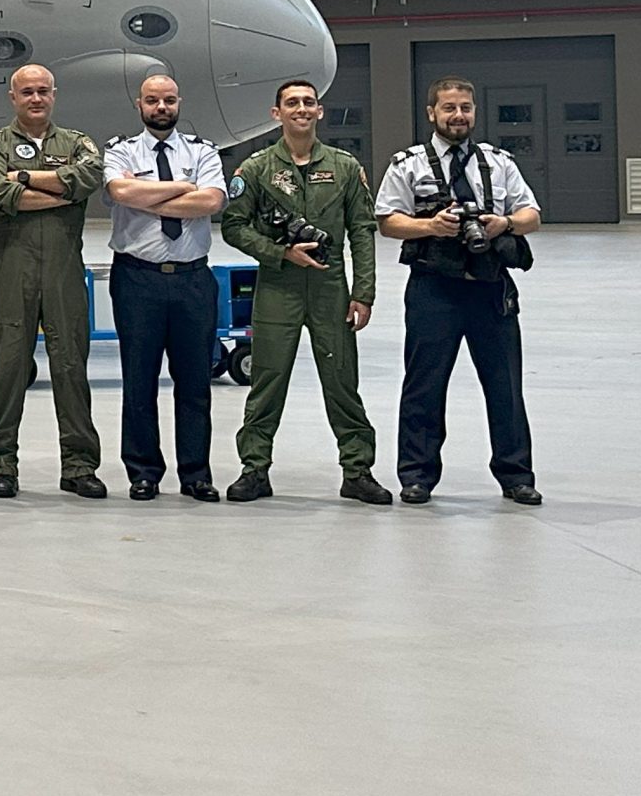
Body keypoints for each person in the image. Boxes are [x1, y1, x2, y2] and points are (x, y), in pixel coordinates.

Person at [218, 79, 391, 504]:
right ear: (276, 113)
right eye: (291, 103)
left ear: (320, 112)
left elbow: (363, 230)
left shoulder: (345, 167)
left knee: (341, 380)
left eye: (308, 103)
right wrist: (279, 253)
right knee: (267, 379)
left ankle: (357, 470)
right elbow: (233, 226)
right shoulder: (257, 169)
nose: (301, 109)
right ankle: (255, 468)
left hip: (331, 287)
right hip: (278, 286)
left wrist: (363, 292)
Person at [374, 77, 544, 505]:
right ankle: (416, 476)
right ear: (431, 113)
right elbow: (388, 221)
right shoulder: (408, 164)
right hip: (434, 290)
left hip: (490, 289)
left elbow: (531, 214)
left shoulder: (499, 162)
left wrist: (503, 223)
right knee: (423, 386)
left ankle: (516, 475)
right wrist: (431, 226)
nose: (458, 116)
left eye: (465, 108)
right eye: (449, 108)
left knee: (505, 387)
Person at [0, 64, 106, 499]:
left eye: (43, 91)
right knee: (6, 369)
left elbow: (88, 179)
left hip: (64, 270)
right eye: (26, 92)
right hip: (13, 268)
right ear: (12, 97)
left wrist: (25, 178)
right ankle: (0, 465)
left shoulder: (77, 142)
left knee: (71, 368)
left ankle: (79, 465)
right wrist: (58, 191)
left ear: (54, 95)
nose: (35, 98)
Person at [102, 72, 227, 502]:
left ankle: (196, 474)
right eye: (153, 100)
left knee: (195, 382)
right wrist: (181, 188)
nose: (161, 108)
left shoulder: (203, 151)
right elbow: (119, 191)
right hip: (138, 279)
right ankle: (143, 472)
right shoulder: (121, 151)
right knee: (139, 381)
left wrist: (147, 195)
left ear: (179, 103)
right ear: (139, 104)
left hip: (193, 280)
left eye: (169, 100)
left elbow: (211, 201)